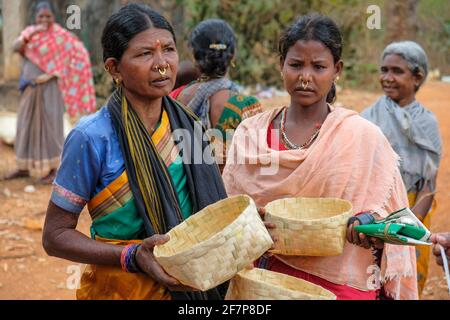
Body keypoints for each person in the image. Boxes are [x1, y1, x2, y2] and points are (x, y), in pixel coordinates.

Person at [222, 13, 418, 300]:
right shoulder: (250, 133)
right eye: (296, 64)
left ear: (336, 69)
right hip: (266, 282)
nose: (305, 77)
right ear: (281, 65)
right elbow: (228, 213)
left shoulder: (362, 136)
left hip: (341, 284)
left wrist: (370, 225)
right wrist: (251, 223)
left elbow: (396, 221)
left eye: (318, 67)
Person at [42, 3, 229, 300]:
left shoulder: (188, 126)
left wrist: (239, 222)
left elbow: (207, 205)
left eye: (168, 49)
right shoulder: (91, 137)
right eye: (145, 54)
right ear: (114, 68)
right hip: (121, 290)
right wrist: (132, 256)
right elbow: (54, 237)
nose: (162, 63)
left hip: (193, 287)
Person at [361, 41, 442, 296]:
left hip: (414, 213)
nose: (387, 78)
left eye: (397, 71)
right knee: (372, 280)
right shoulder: (367, 119)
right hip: (373, 215)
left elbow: (429, 184)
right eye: (384, 70)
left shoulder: (427, 123)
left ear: (417, 77)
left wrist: (407, 225)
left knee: (407, 280)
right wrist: (379, 224)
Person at [2, 1, 96, 184]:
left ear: (54, 17)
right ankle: (23, 166)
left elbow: (79, 53)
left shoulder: (61, 36)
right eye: (41, 16)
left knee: (51, 126)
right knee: (25, 125)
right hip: (30, 88)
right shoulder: (30, 35)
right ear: (35, 17)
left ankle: (54, 169)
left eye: (48, 16)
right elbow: (15, 47)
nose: (44, 19)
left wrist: (57, 75)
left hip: (50, 88)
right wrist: (30, 34)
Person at [173, 19, 262, 168]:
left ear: (194, 55)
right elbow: (259, 164)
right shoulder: (246, 105)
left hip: (185, 190)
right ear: (233, 55)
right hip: (231, 191)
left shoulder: (174, 98)